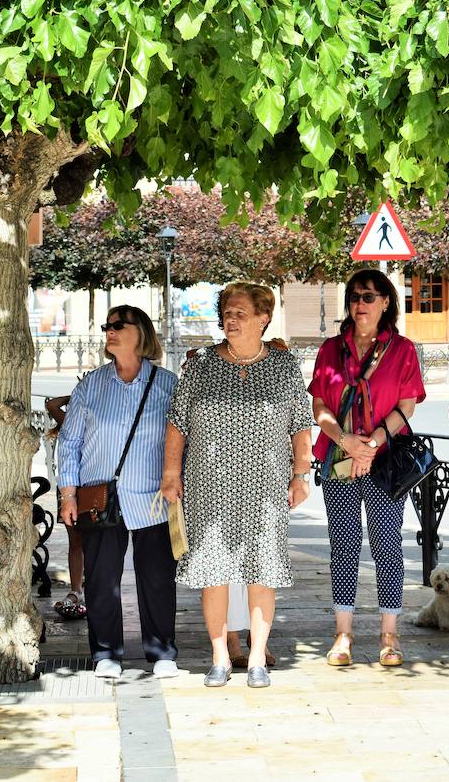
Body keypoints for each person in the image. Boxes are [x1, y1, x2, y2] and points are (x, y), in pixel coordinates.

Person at [161, 282, 313, 689]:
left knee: (262, 569)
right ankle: (219, 656)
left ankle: (259, 657)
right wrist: (171, 474)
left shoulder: (283, 366)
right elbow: (177, 424)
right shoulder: (200, 364)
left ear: (264, 318)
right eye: (227, 311)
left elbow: (301, 425)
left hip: (265, 488)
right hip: (207, 486)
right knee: (213, 570)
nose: (232, 318)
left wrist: (301, 475)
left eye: (241, 312)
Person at [310, 270, 425, 668]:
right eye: (355, 296)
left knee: (386, 545)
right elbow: (320, 406)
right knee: (343, 544)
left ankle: (389, 634)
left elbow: (407, 406)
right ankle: (343, 633)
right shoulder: (330, 350)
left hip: (384, 460)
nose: (361, 304)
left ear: (387, 302)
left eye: (369, 296)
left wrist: (371, 444)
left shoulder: (403, 349)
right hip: (339, 456)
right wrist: (347, 442)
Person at [57, 306, 180, 681]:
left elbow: (183, 437)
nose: (109, 332)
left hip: (154, 499)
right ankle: (106, 652)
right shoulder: (91, 385)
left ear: (140, 333)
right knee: (101, 579)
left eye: (118, 326)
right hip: (101, 498)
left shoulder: (167, 384)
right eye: (106, 326)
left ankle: (161, 652)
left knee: (157, 578)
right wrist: (67, 494)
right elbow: (70, 441)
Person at [45, 395, 85, 620]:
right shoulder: (70, 420)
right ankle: (77, 589)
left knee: (84, 543)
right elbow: (51, 405)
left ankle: (80, 589)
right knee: (76, 543)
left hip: (87, 486)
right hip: (72, 488)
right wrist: (77, 393)